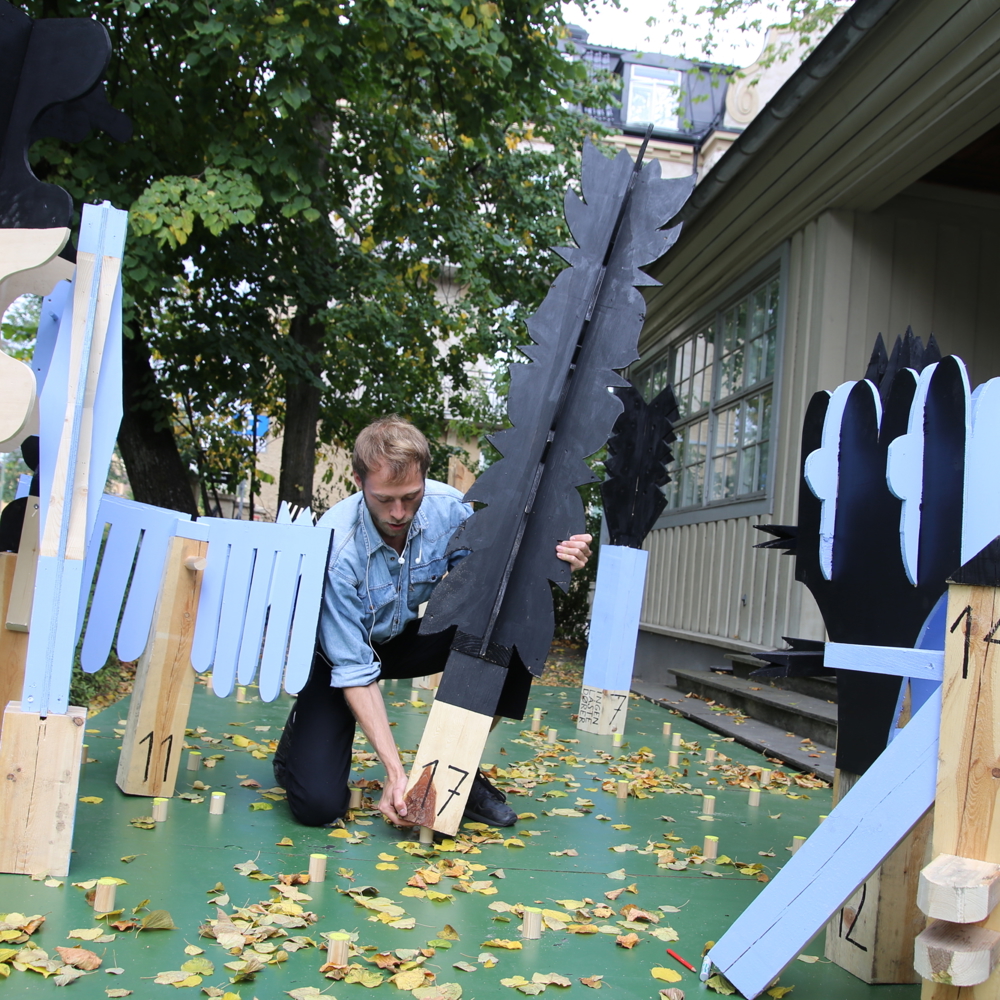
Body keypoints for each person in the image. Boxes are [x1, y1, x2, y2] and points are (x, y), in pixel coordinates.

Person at [273, 415, 591, 829]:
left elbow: (490, 587)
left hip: (405, 639)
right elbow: (353, 669)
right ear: (358, 480)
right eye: (385, 499)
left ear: (425, 477)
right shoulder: (337, 547)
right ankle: (298, 738)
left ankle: (459, 769)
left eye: (411, 496)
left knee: (512, 623)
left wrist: (557, 559)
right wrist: (395, 773)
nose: (400, 513)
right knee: (318, 807)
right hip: (339, 658)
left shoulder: (450, 510)